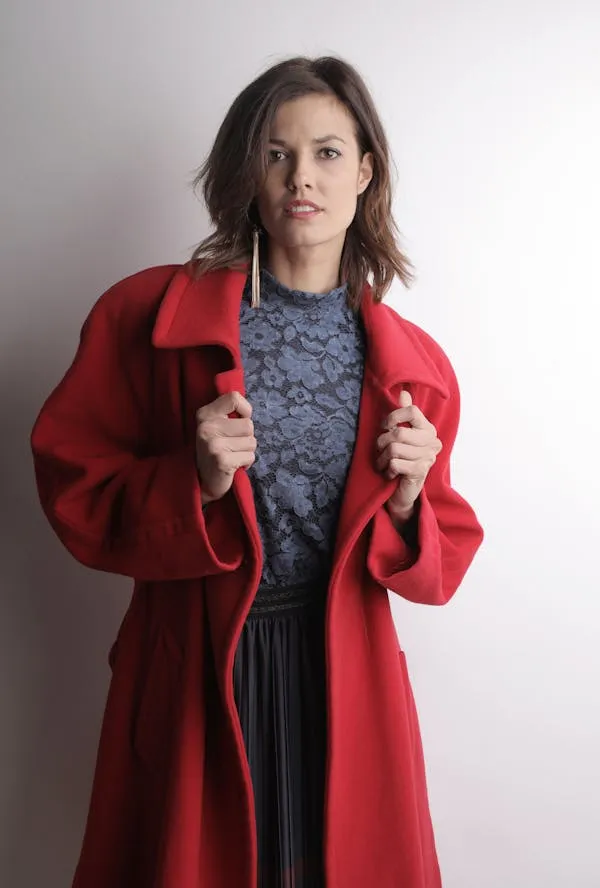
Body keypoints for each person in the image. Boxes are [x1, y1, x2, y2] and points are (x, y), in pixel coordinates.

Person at [31, 55, 484, 888]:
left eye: (326, 153)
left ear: (366, 172)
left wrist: (414, 496)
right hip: (199, 667)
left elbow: (439, 565)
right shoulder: (146, 317)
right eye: (276, 153)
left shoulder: (416, 366)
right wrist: (191, 480)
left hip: (345, 673)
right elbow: (73, 487)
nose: (301, 177)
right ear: (248, 169)